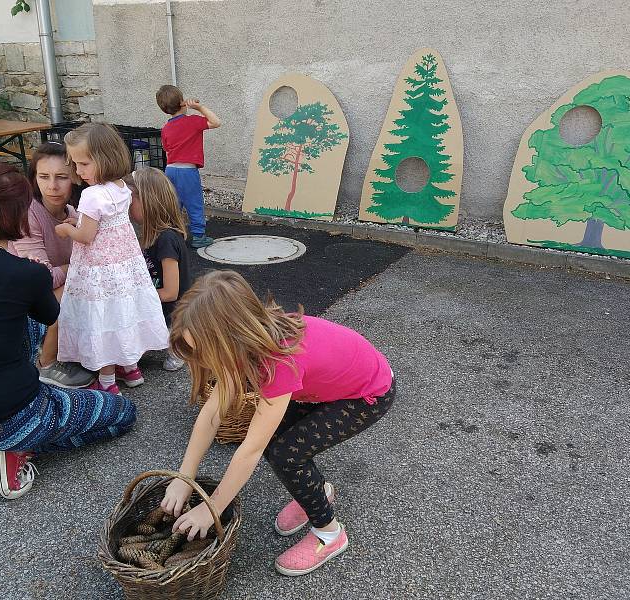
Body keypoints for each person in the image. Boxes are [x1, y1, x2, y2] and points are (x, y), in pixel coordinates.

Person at [159, 271, 396, 576]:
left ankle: (329, 534)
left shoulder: (276, 363)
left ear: (231, 335)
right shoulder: (246, 341)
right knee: (278, 442)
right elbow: (211, 414)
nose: (201, 360)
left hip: (366, 394)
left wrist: (213, 507)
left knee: (286, 454)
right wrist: (184, 476)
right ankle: (317, 492)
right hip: (330, 387)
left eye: (204, 350)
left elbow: (250, 450)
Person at [0, 161, 136, 500]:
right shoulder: (26, 274)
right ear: (16, 214)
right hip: (16, 411)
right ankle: (18, 447)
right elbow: (50, 316)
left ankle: (17, 438)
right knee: (123, 414)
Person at [56, 123, 169, 393]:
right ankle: (130, 368)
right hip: (123, 268)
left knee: (103, 319)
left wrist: (66, 228)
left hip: (99, 271)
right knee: (123, 313)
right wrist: (80, 220)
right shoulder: (121, 187)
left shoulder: (91, 195)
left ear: (105, 159)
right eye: (75, 164)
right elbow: (104, 221)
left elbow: (85, 235)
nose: (79, 171)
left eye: (84, 164)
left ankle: (106, 381)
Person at [10, 141, 94, 389]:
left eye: (61, 177)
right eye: (44, 176)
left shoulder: (74, 213)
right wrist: (74, 267)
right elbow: (40, 278)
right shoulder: (28, 214)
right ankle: (46, 363)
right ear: (34, 179)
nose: (52, 186)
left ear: (75, 179)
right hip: (25, 297)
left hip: (55, 288)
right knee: (76, 290)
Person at [125, 166, 193, 371]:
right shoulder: (151, 234)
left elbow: (171, 292)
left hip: (171, 312)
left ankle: (178, 344)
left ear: (148, 202)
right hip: (158, 306)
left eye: (130, 200)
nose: (125, 206)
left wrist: (135, 296)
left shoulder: (166, 239)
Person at [156, 84, 221, 249]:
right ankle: (198, 235)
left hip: (170, 170)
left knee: (173, 204)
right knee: (194, 202)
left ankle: (174, 235)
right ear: (182, 102)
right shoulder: (192, 122)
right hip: (187, 170)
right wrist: (199, 107)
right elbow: (216, 122)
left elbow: (166, 148)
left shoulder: (165, 128)